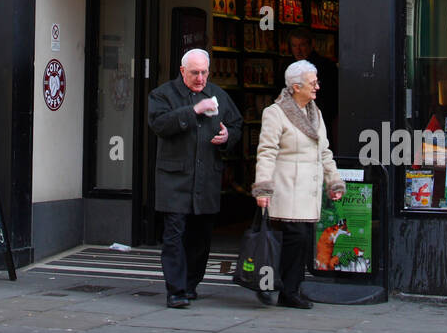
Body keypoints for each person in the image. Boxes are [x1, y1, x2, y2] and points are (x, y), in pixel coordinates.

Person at [147, 48, 242, 308]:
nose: (200, 79)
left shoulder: (218, 95)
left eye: (204, 73)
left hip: (206, 179)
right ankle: (175, 290)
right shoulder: (162, 94)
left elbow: (236, 125)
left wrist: (227, 138)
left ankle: (190, 284)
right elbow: (159, 124)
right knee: (174, 235)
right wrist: (194, 110)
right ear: (182, 71)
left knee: (201, 237)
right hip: (174, 180)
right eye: (194, 73)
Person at [252, 60, 344, 310]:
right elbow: (267, 152)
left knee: (301, 242)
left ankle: (289, 288)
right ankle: (287, 290)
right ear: (295, 86)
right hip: (287, 189)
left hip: (308, 191)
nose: (317, 86)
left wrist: (333, 181)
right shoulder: (276, 112)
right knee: (295, 239)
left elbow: (324, 151)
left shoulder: (315, 112)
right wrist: (263, 188)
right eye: (312, 83)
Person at [287, 27, 338, 147]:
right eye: (294, 46)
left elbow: (332, 101)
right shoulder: (287, 67)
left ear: (311, 44)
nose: (298, 50)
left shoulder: (326, 67)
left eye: (302, 45)